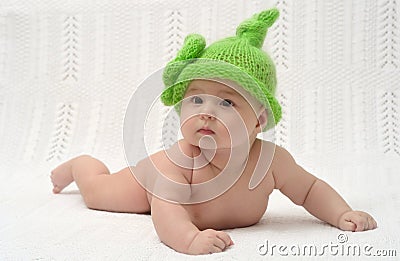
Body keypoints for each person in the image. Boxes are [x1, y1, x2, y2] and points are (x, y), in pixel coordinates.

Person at [50, 8, 377, 255]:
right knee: (96, 192)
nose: (206, 111)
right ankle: (79, 164)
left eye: (227, 103)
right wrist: (189, 238)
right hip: (144, 185)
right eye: (196, 99)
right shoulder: (179, 163)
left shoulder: (271, 161)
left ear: (259, 119)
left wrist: (341, 213)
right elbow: (167, 209)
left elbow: (310, 190)